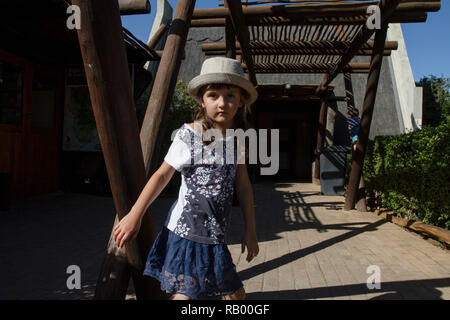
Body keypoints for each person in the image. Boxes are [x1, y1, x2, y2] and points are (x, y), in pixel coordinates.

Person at [112, 57, 259, 300]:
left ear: (241, 100)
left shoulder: (237, 140)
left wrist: (250, 230)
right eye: (214, 95)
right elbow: (162, 175)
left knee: (232, 296)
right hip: (187, 232)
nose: (222, 103)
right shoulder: (190, 135)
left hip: (215, 235)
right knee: (196, 296)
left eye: (231, 95)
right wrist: (135, 216)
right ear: (202, 99)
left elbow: (243, 187)